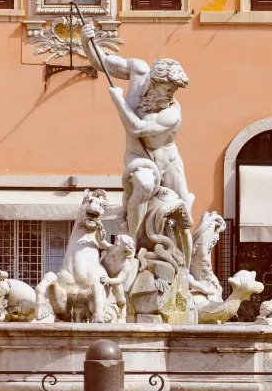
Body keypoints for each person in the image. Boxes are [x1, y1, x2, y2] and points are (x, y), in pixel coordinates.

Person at [81, 22, 195, 243]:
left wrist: (118, 100)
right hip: (138, 157)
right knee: (143, 185)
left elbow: (136, 128)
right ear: (155, 82)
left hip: (168, 162)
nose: (171, 95)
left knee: (184, 219)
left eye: (173, 91)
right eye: (168, 89)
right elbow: (102, 62)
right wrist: (86, 41)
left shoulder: (172, 112)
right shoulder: (138, 71)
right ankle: (130, 240)